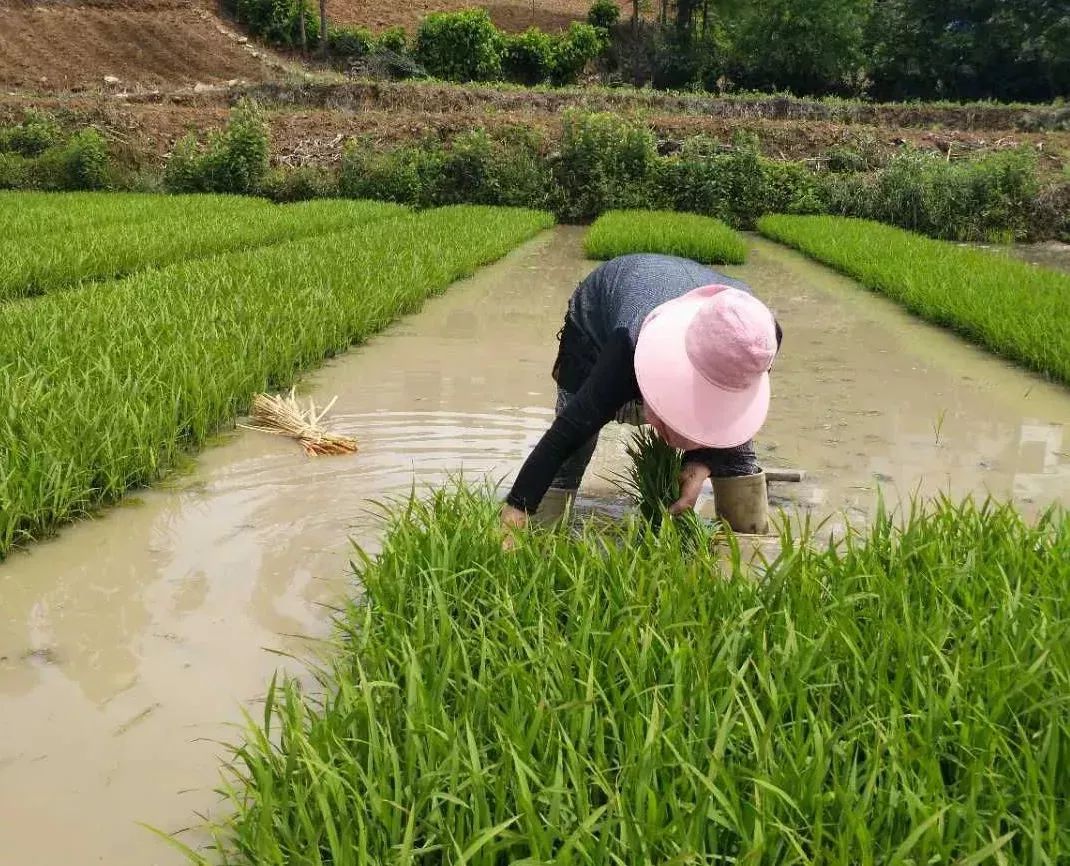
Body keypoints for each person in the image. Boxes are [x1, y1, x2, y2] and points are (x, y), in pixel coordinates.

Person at [501, 252, 782, 533]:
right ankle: (540, 536)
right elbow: (566, 434)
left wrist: (702, 461)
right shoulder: (626, 350)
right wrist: (515, 512)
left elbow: (727, 418)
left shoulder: (757, 338)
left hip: (704, 324)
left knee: (736, 456)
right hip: (596, 330)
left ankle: (749, 547)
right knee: (573, 455)